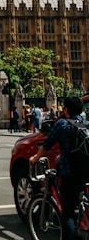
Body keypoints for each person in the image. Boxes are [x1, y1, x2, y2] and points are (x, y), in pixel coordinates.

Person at [30, 95, 85, 240]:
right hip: (86, 171)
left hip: (69, 172)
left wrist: (35, 158)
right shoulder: (85, 123)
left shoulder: (62, 124)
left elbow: (47, 145)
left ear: (66, 109)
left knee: (67, 213)